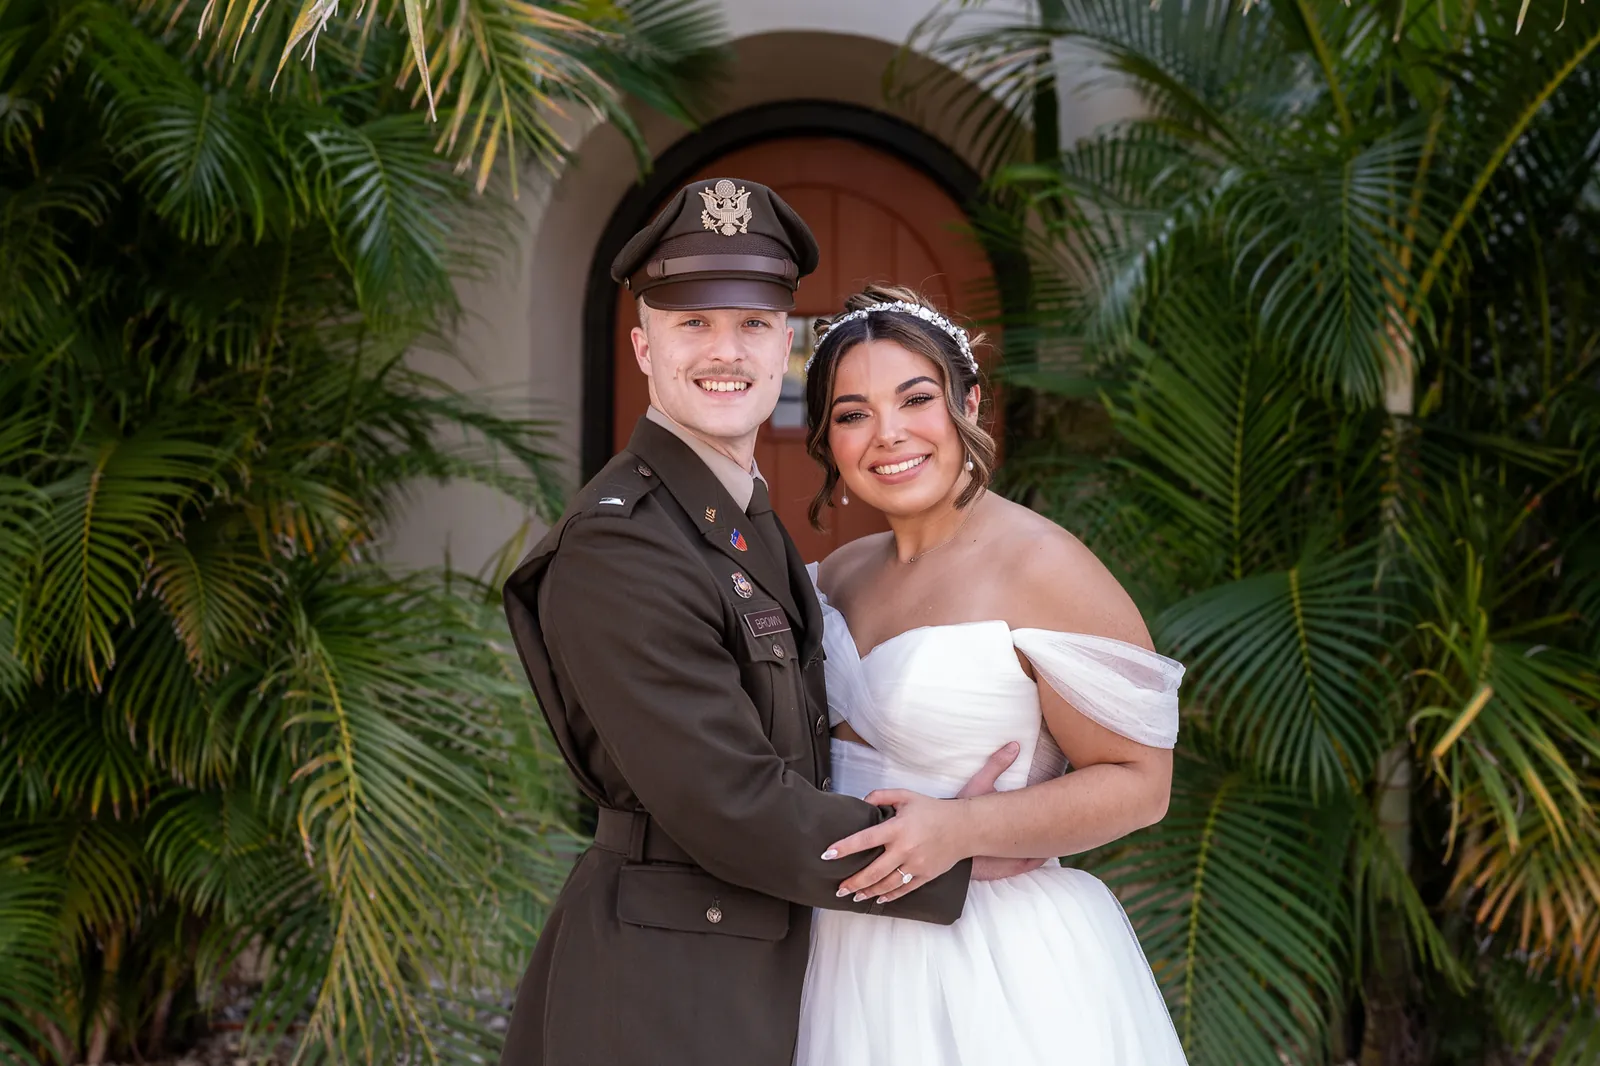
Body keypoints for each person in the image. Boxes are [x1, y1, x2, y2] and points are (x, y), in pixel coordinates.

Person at [497, 184, 1026, 1065]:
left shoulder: (733, 517)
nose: (725, 351)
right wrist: (944, 854)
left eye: (750, 323)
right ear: (643, 348)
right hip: (670, 992)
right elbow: (730, 802)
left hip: (758, 956)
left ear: (784, 343)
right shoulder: (622, 545)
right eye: (691, 324)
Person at [793, 284, 1189, 1065]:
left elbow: (1143, 784)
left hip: (992, 958)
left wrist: (964, 830)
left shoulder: (1044, 567)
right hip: (835, 950)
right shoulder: (835, 576)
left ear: (969, 401)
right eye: (852, 414)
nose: (888, 434)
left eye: (916, 399)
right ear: (828, 442)